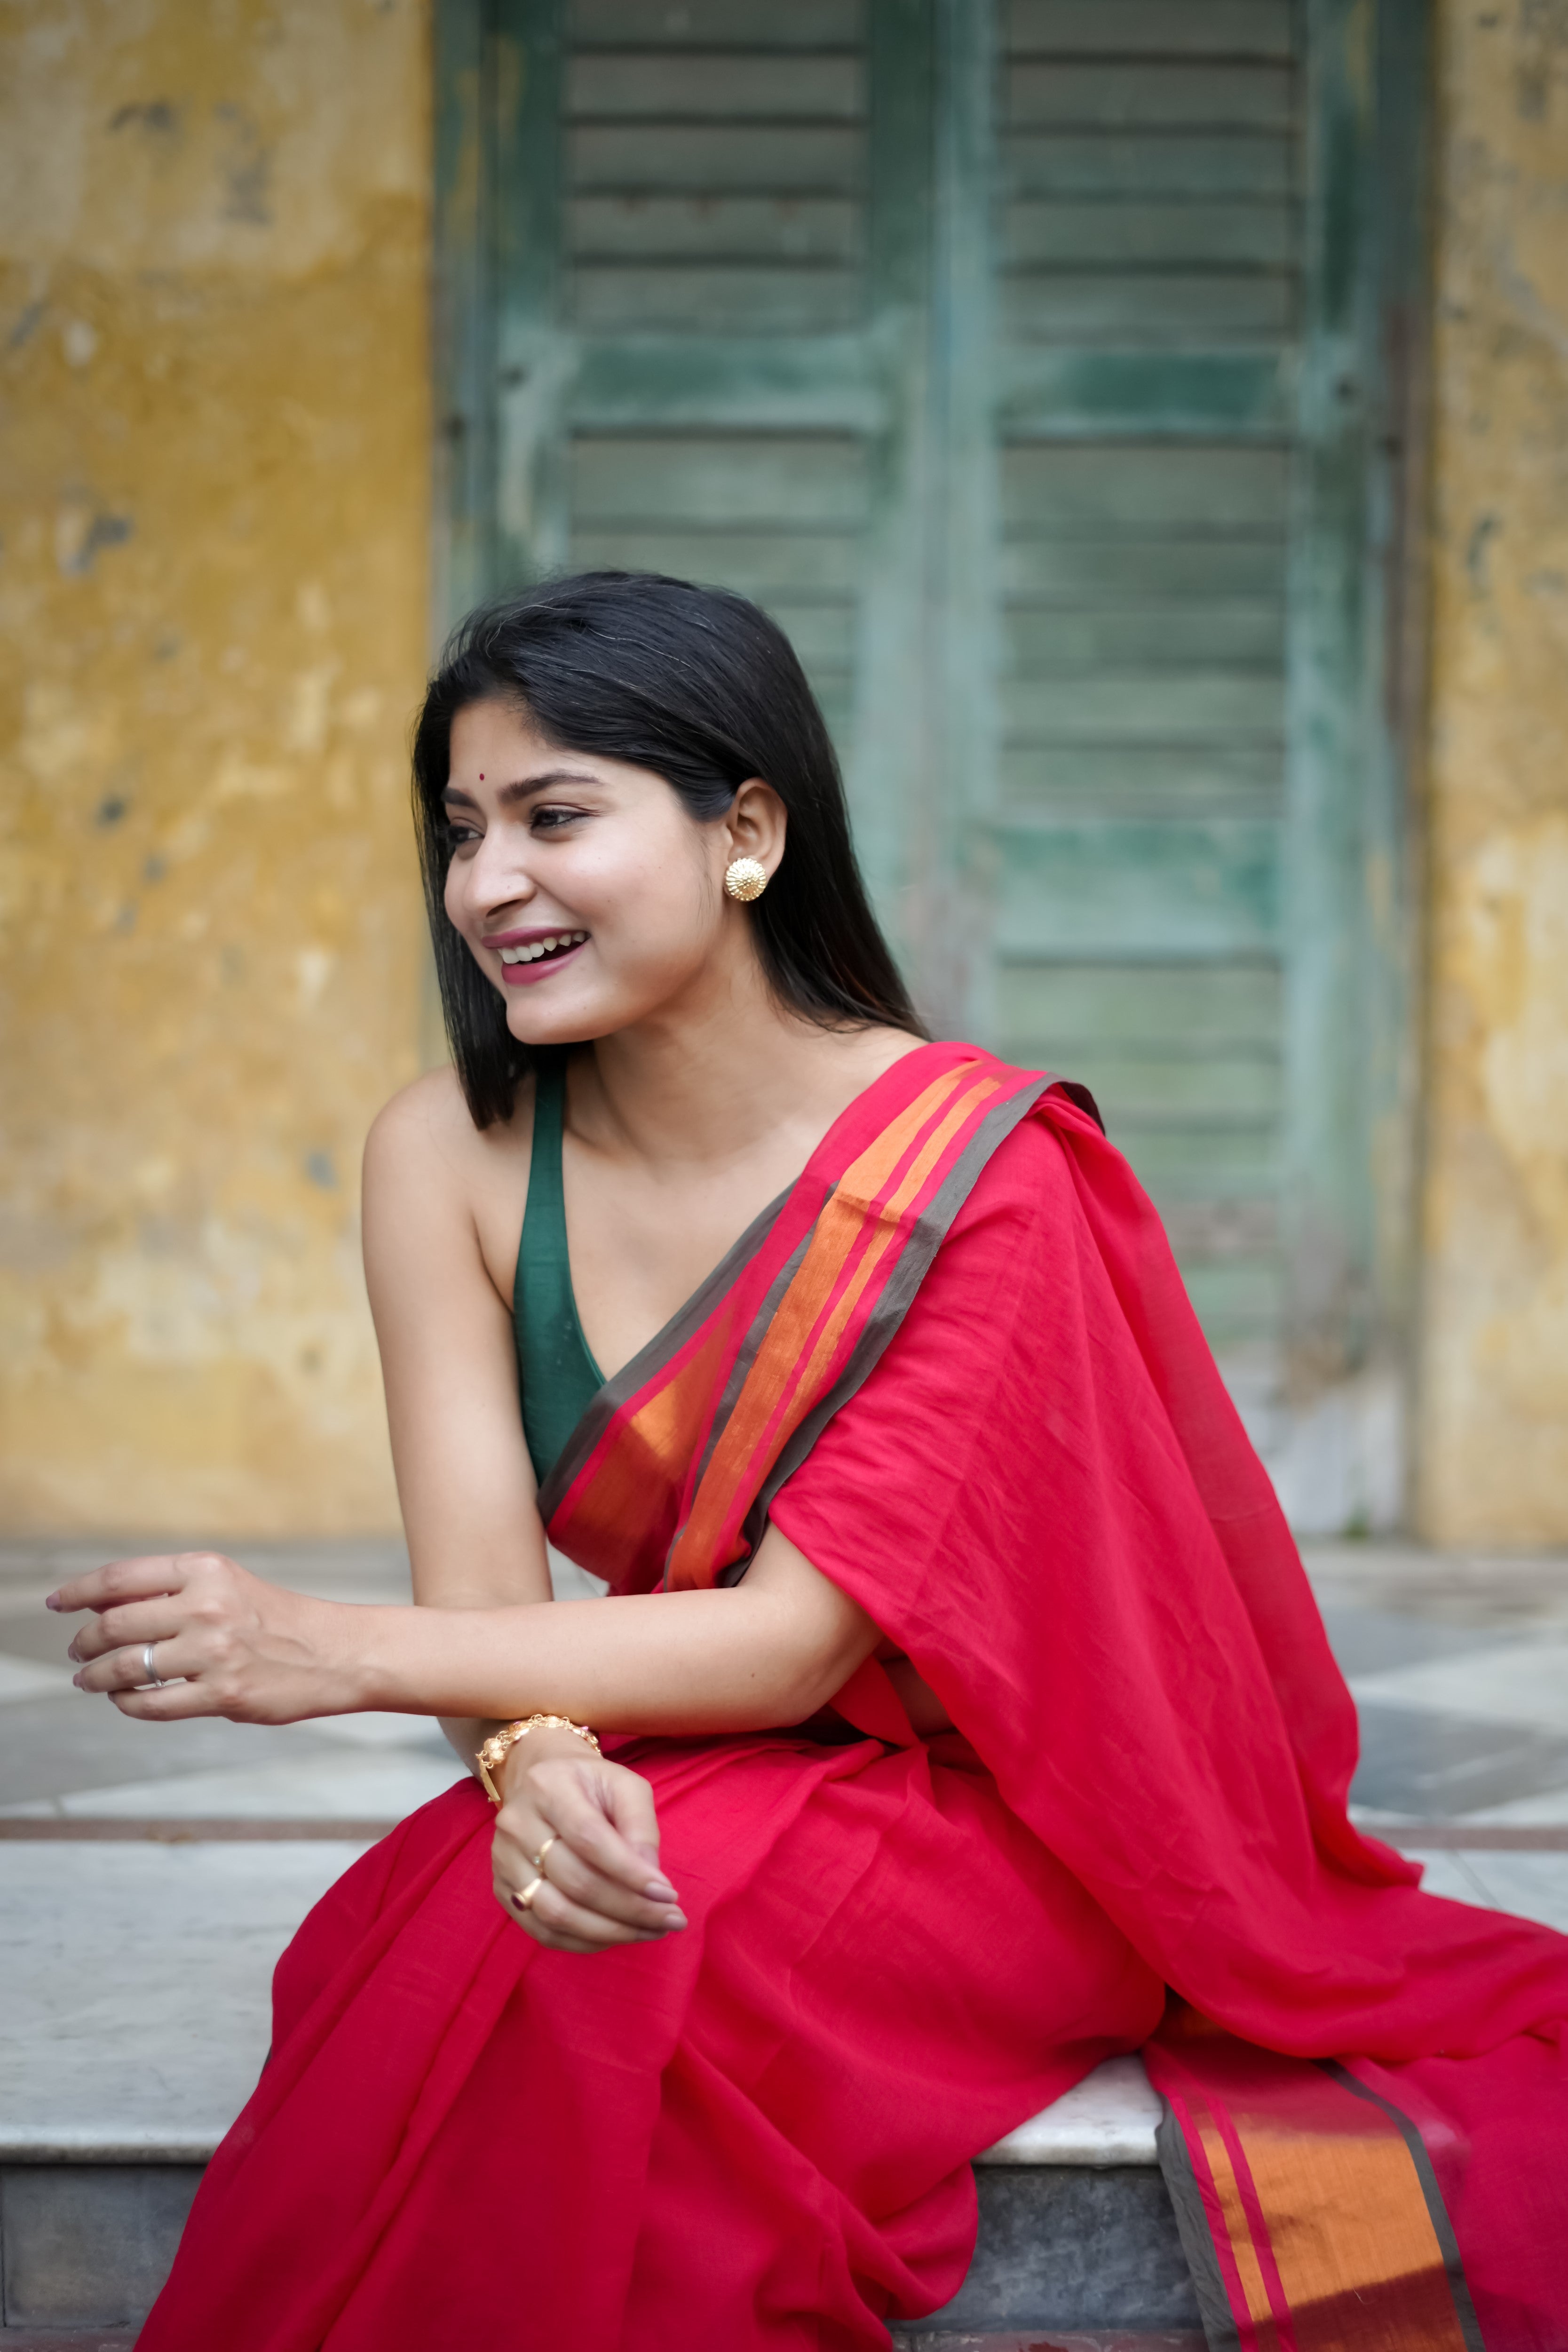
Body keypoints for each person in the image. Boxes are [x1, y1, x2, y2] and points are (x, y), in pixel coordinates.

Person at [51, 574, 1568, 2352]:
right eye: (461, 832)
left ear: (746, 830)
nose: (488, 885)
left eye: (554, 818)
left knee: (618, 2012)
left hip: (1007, 1814)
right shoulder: (445, 1157)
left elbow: (790, 1650)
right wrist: (535, 1770)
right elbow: (489, 1614)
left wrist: (321, 1652)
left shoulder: (968, 1175)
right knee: (443, 1945)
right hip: (685, 1751)